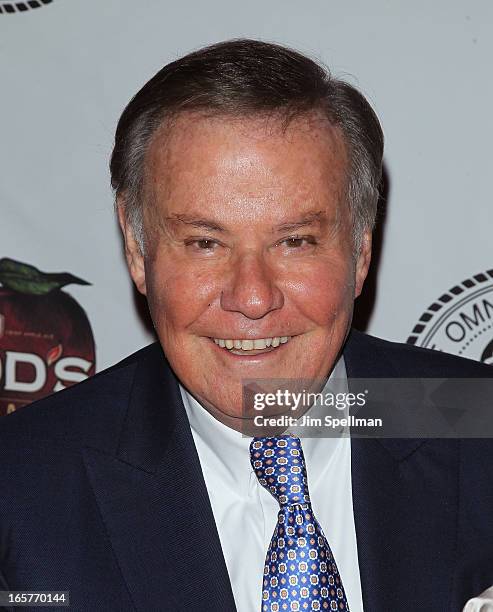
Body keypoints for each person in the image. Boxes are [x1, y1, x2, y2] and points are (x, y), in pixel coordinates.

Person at [0, 39, 492, 612]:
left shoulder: (476, 424)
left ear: (360, 250)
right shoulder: (20, 491)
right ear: (137, 248)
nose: (253, 297)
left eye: (295, 241)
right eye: (205, 243)